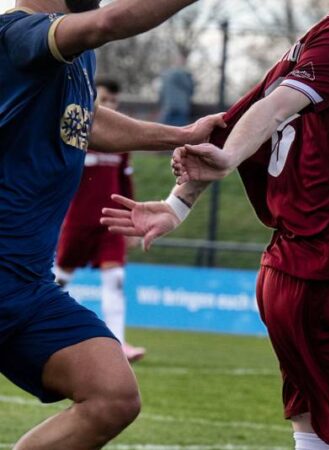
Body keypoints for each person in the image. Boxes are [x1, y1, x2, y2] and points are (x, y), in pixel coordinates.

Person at [101, 1, 329, 449]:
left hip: (302, 274)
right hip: (321, 279)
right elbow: (272, 109)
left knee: (317, 432)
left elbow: (239, 116)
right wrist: (227, 159)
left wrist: (178, 205)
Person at [0, 0, 223, 448]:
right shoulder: (18, 35)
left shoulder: (74, 59)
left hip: (27, 286)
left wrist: (181, 136)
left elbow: (87, 120)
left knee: (113, 397)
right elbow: (107, 22)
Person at [54, 79, 146, 363]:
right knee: (57, 280)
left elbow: (125, 182)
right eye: (104, 100)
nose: (110, 107)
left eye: (114, 102)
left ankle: (117, 344)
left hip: (111, 223)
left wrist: (133, 222)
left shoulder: (121, 143)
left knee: (116, 279)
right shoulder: (73, 135)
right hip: (77, 222)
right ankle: (36, 331)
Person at [158, 54, 195, 126]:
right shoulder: (185, 75)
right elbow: (190, 90)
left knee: (164, 130)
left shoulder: (166, 75)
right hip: (181, 107)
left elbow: (161, 92)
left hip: (168, 106)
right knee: (181, 131)